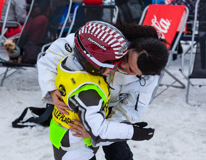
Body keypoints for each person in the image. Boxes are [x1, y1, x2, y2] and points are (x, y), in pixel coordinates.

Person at [37, 23, 168, 160]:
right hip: (82, 101)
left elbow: (128, 112)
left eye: (131, 70)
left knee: (119, 153)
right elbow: (54, 54)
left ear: (144, 75)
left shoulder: (147, 82)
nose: (122, 66)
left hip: (111, 110)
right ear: (129, 46)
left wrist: (97, 133)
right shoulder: (103, 38)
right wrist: (51, 88)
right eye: (125, 58)